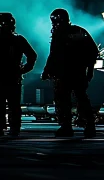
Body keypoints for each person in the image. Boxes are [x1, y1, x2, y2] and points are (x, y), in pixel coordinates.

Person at [41, 8, 99, 138]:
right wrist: (89, 70)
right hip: (74, 73)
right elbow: (93, 52)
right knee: (79, 98)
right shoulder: (78, 32)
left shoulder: (62, 34)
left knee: (66, 100)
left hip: (68, 74)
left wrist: (47, 71)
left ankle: (70, 126)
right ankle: (86, 125)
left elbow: (54, 55)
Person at [0, 16, 37, 137]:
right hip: (11, 77)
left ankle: (0, 127)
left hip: (1, 77)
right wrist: (24, 69)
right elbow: (32, 56)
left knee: (0, 105)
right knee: (13, 105)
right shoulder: (17, 40)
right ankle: (13, 128)